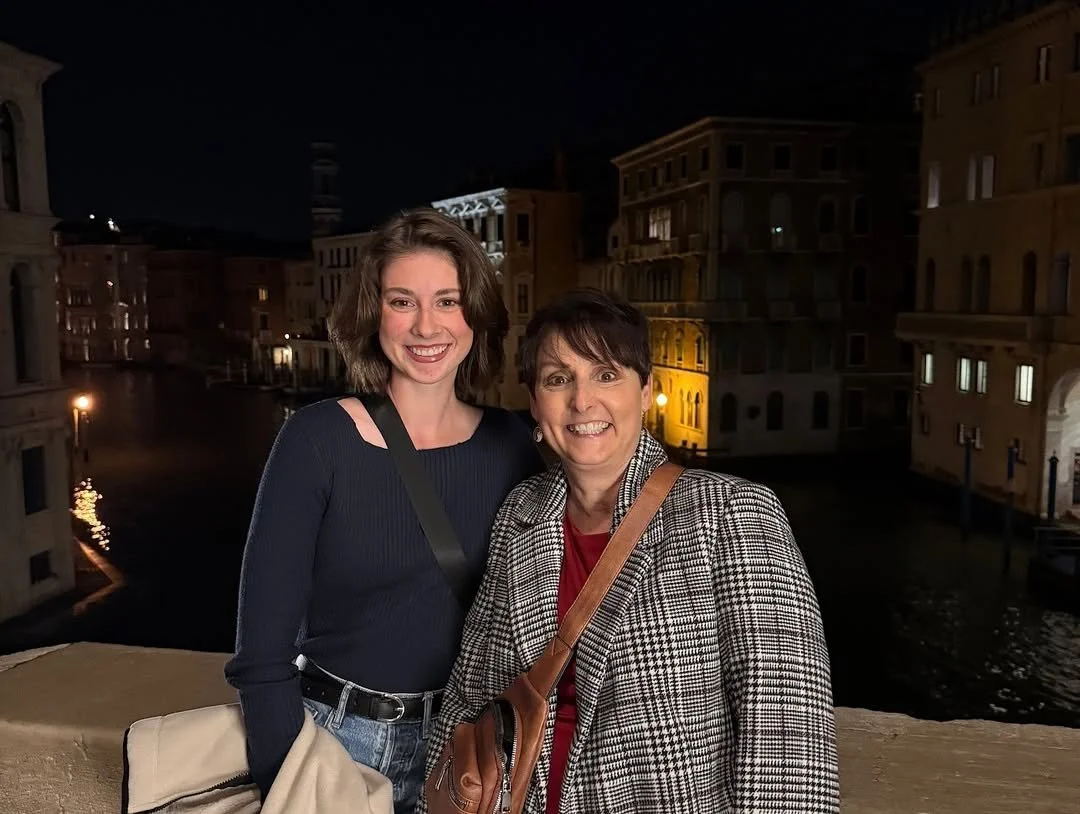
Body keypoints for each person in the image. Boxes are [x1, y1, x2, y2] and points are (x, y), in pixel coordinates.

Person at [425, 288, 839, 813]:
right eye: (558, 379)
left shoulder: (730, 512)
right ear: (534, 403)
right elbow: (469, 690)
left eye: (606, 374)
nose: (581, 401)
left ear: (646, 390)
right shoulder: (520, 514)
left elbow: (787, 738)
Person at [225, 208, 545, 813]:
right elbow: (261, 656)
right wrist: (287, 782)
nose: (427, 326)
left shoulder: (515, 446)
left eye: (447, 301)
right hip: (333, 742)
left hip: (466, 750)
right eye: (403, 301)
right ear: (374, 315)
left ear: (476, 314)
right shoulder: (319, 441)